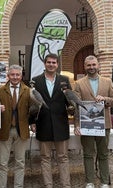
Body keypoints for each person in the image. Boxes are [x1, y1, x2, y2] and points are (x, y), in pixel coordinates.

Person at [74, 55, 113, 188]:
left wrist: (105, 99)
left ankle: (104, 182)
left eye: (94, 65)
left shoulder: (107, 81)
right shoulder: (79, 83)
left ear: (98, 65)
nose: (91, 67)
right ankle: (90, 181)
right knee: (88, 154)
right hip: (86, 124)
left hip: (103, 123)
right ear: (85, 67)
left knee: (103, 154)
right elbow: (76, 106)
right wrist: (77, 125)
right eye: (89, 65)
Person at [30, 53, 72, 188]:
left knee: (63, 157)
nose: (51, 65)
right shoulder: (36, 81)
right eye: (49, 62)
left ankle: (65, 185)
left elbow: (69, 101)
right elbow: (32, 104)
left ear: (57, 64)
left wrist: (74, 110)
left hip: (60, 123)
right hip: (43, 124)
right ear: (44, 63)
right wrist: (32, 121)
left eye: (54, 62)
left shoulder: (64, 80)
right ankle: (48, 185)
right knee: (45, 157)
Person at [0, 64, 32, 188]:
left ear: (21, 76)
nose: (15, 77)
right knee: (2, 163)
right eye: (12, 74)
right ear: (8, 76)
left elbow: (31, 111)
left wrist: (32, 123)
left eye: (18, 75)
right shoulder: (0, 91)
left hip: (22, 131)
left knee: (20, 162)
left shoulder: (28, 91)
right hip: (5, 130)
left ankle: (18, 186)